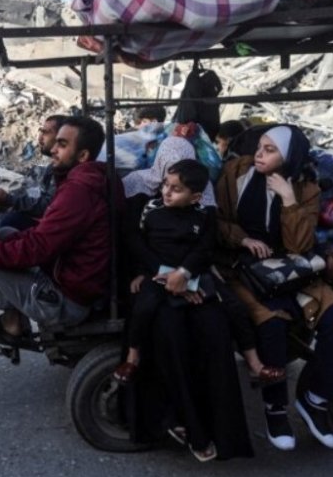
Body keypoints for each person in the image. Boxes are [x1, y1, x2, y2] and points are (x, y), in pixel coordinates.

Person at [215, 125, 333, 451]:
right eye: (260, 147)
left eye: (270, 150)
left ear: (288, 157)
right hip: (243, 269)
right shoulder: (238, 172)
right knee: (273, 322)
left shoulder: (306, 189)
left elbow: (299, 245)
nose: (259, 155)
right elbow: (216, 219)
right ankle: (274, 407)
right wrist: (243, 239)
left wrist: (288, 200)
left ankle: (314, 400)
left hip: (292, 270)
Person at [0, 116, 123, 335]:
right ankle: (12, 319)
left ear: (83, 155)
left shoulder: (79, 191)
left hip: (64, 302)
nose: (54, 149)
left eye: (62, 145)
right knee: (5, 234)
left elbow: (39, 247)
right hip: (70, 281)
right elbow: (44, 234)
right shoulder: (91, 179)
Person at [117, 159, 284, 389]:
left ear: (195, 197)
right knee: (144, 307)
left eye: (176, 189)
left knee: (235, 308)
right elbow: (142, 245)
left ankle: (256, 365)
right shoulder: (150, 209)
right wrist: (143, 273)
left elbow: (203, 250)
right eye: (166, 184)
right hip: (158, 273)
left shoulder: (203, 215)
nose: (167, 192)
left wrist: (186, 275)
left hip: (194, 273)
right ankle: (132, 358)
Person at [0, 114, 67, 231]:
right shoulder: (52, 167)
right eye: (41, 132)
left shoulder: (65, 171)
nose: (40, 138)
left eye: (45, 133)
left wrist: (10, 200)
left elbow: (46, 206)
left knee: (10, 221)